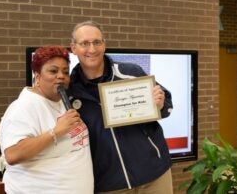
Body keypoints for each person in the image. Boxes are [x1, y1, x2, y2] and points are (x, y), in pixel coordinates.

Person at [69, 21, 174, 194]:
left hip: (154, 174)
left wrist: (160, 104)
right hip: (109, 185)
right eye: (84, 43)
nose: (92, 49)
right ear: (74, 48)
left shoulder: (131, 72)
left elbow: (167, 102)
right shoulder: (70, 91)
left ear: (104, 45)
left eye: (97, 42)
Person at [0, 45, 93, 194]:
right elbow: (12, 155)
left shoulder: (62, 101)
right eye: (53, 71)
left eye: (65, 72)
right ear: (37, 75)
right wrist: (56, 131)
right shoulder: (24, 107)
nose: (61, 76)